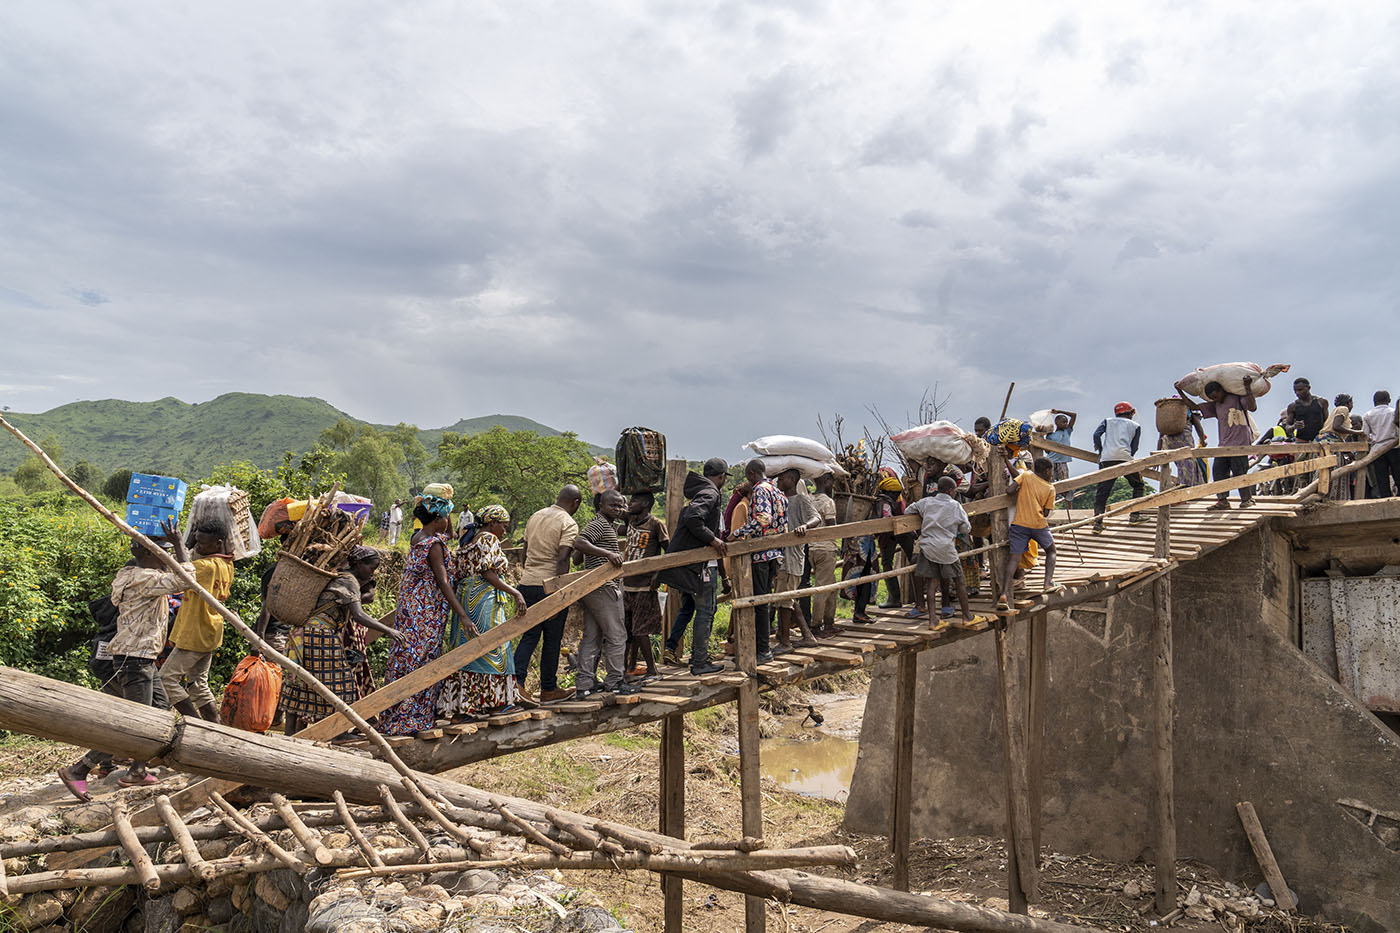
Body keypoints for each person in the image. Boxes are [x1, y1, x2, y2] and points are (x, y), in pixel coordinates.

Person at [59, 520, 189, 800]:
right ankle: (79, 769)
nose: (166, 558)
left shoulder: (135, 573)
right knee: (136, 724)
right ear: (147, 554)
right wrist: (179, 544)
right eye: (161, 552)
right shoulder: (142, 578)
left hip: (142, 658)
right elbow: (186, 579)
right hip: (135, 659)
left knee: (159, 709)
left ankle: (139, 769)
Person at [280, 546, 402, 735]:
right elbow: (359, 614)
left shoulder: (339, 575)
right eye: (372, 567)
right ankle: (339, 734)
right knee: (341, 685)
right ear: (359, 564)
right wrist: (388, 630)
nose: (372, 573)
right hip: (320, 635)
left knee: (300, 685)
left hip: (306, 634)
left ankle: (289, 735)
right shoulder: (348, 581)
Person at [379, 495, 470, 735]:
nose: (448, 521)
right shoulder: (434, 545)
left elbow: (448, 533)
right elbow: (443, 582)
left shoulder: (418, 538)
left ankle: (396, 717)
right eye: (446, 516)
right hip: (425, 613)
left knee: (405, 659)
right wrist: (462, 614)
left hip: (411, 611)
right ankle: (412, 719)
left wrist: (444, 509)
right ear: (439, 518)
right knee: (421, 661)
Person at [436, 505, 526, 719]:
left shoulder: (469, 540)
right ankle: (495, 704)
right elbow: (488, 573)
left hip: (466, 598)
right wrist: (515, 593)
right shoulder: (488, 539)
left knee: (468, 649)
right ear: (492, 523)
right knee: (493, 648)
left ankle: (462, 707)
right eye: (503, 526)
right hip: (483, 599)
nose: (505, 531)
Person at [659, 458, 729, 675]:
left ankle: (697, 657)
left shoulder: (701, 491)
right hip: (702, 565)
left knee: (695, 609)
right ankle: (699, 662)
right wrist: (714, 540)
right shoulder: (711, 493)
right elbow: (693, 517)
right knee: (705, 611)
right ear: (721, 477)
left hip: (691, 564)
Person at [161, 519, 234, 723]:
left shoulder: (205, 567)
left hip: (195, 633)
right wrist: (189, 544)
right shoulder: (226, 564)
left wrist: (178, 543)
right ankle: (215, 727)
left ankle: (195, 725)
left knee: (166, 679)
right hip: (210, 631)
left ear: (218, 543)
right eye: (197, 542)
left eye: (202, 543)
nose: (198, 546)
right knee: (198, 686)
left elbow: (183, 573)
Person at [514, 485, 582, 703]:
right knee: (552, 640)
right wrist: (558, 595)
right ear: (576, 503)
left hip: (527, 583)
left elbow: (524, 554)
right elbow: (563, 559)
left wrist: (529, 573)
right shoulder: (568, 523)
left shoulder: (536, 516)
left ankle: (516, 683)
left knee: (530, 636)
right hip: (549, 586)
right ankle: (548, 689)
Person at [573, 489, 637, 696]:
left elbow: (577, 556)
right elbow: (580, 543)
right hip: (604, 587)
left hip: (594, 588)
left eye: (620, 506)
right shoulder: (599, 523)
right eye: (613, 505)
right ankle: (615, 681)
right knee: (617, 635)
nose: (618, 509)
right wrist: (609, 553)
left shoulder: (607, 525)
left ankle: (584, 684)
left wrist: (625, 513)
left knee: (592, 636)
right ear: (601, 506)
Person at [730, 460, 788, 663]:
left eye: (748, 477)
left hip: (760, 554)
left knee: (759, 602)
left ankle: (762, 650)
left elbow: (763, 518)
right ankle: (762, 648)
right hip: (774, 554)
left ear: (753, 473)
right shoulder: (778, 492)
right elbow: (783, 525)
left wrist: (738, 533)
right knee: (763, 600)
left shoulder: (761, 490)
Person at [905, 477, 982, 624]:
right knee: (959, 581)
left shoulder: (926, 502)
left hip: (928, 546)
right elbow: (966, 528)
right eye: (954, 491)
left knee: (932, 584)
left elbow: (909, 510)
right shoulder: (955, 506)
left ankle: (933, 621)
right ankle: (967, 617)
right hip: (946, 548)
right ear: (950, 491)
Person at [1176, 375, 1259, 510]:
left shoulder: (1237, 398)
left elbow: (1252, 407)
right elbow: (1194, 406)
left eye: (1216, 396)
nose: (1215, 399)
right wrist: (1180, 391)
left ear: (1221, 390)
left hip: (1240, 444)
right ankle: (1222, 501)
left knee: (1240, 472)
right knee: (1219, 472)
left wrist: (1248, 387)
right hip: (1224, 445)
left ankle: (1247, 499)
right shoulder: (1216, 405)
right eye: (1212, 398)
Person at [771, 469, 821, 652]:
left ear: (791, 480)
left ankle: (785, 642)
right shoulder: (780, 501)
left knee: (785, 599)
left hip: (791, 557)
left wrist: (804, 526)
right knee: (786, 597)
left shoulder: (801, 499)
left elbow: (816, 518)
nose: (778, 481)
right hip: (781, 557)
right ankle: (807, 636)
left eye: (782, 478)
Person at [999, 458, 1059, 607]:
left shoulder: (1025, 476)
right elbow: (1045, 513)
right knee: (1051, 551)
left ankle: (1004, 593)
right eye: (1051, 471)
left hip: (1019, 524)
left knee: (1014, 559)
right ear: (1046, 471)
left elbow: (1009, 490)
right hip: (1038, 525)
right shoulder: (1050, 488)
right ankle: (1047, 583)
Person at [621, 492, 669, 679]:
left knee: (641, 630)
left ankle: (652, 670)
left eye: (635, 500)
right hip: (627, 584)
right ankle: (626, 668)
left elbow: (668, 550)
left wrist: (659, 573)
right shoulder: (630, 519)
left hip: (644, 584)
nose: (630, 503)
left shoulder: (656, 525)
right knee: (626, 631)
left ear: (646, 503)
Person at [1091, 402, 1146, 532]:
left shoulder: (1107, 421)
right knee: (1138, 485)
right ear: (1130, 413)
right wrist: (1127, 455)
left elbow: (1096, 435)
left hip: (1107, 459)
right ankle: (1135, 516)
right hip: (1125, 458)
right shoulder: (1136, 426)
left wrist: (1101, 449)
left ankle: (1097, 524)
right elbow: (1135, 447)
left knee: (1102, 492)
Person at [873, 467, 915, 608]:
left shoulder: (883, 499)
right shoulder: (899, 499)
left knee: (887, 563)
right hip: (905, 527)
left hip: (893, 531)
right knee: (913, 559)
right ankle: (919, 597)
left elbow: (887, 517)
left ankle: (895, 598)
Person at [807, 471, 840, 637]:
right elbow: (831, 526)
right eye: (831, 482)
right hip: (826, 548)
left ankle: (829, 622)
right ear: (826, 481)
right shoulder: (828, 502)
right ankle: (816, 625)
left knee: (831, 587)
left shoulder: (809, 500)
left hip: (812, 548)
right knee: (822, 588)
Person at [1158, 401, 1209, 487]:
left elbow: (1161, 435)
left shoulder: (1168, 419)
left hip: (1169, 442)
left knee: (1181, 464)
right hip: (1184, 439)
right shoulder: (1189, 414)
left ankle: (1184, 483)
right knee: (1188, 462)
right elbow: (1199, 428)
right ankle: (1186, 485)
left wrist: (1158, 451)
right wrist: (1203, 442)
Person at [1361, 391, 1400, 498]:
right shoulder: (1393, 412)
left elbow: (1365, 434)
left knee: (1382, 479)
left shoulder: (1368, 415)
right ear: (1389, 400)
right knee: (1398, 476)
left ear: (1374, 402)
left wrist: (1374, 439)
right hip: (1395, 447)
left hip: (1377, 450)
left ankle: (1385, 500)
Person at [1285, 378, 1329, 442]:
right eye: (1295, 391)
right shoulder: (1293, 406)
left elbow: (1327, 423)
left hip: (1320, 440)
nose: (1297, 393)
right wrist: (1294, 426)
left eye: (1300, 390)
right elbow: (1287, 427)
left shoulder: (1321, 402)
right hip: (1301, 441)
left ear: (1308, 388)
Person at [1044, 409, 1078, 481]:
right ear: (1056, 422)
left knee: (1064, 481)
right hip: (1051, 462)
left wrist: (1059, 411)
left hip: (1062, 462)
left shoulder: (1067, 431)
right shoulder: (1050, 435)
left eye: (1066, 422)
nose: (1065, 424)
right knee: (1051, 482)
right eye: (1063, 422)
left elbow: (1074, 415)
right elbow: (1047, 451)